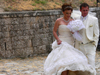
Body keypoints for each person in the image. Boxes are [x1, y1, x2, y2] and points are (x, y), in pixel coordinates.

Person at [44, 3, 95, 75]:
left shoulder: (73, 21)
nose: (68, 15)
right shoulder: (58, 21)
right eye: (67, 13)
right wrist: (58, 39)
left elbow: (77, 35)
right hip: (62, 43)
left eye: (70, 13)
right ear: (63, 12)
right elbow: (54, 31)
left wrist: (74, 32)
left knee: (69, 65)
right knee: (63, 64)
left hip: (70, 43)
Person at [72, 3, 99, 75]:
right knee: (80, 65)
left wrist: (94, 45)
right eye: (83, 10)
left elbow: (96, 34)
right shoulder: (76, 19)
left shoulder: (94, 19)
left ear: (88, 10)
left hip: (90, 45)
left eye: (86, 10)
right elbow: (74, 32)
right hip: (79, 45)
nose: (85, 12)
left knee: (91, 64)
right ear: (80, 10)